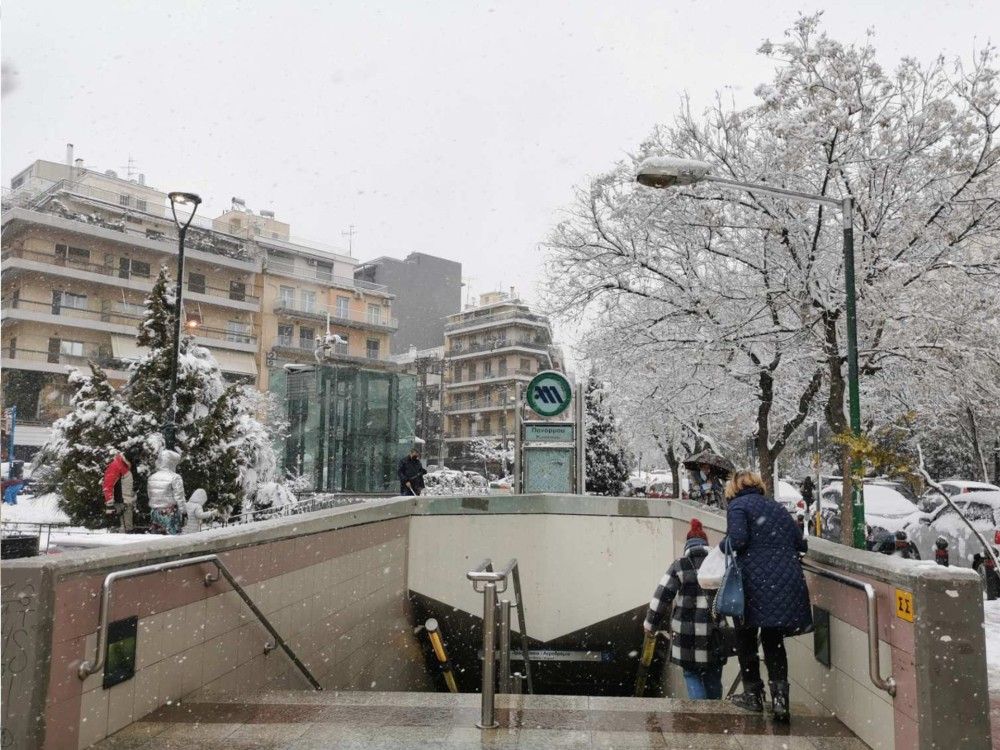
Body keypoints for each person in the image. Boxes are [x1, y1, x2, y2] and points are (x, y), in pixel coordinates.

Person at [723, 470, 811, 723]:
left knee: (745, 636)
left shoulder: (738, 506)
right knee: (774, 640)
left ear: (734, 487)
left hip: (754, 582)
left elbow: (738, 540)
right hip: (785, 580)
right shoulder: (777, 508)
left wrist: (721, 547)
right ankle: (781, 701)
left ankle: (753, 694)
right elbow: (800, 542)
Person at [643, 518, 727, 699]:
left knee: (691, 674)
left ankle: (700, 715)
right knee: (713, 675)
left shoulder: (679, 565)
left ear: (687, 545)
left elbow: (661, 597)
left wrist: (651, 624)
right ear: (706, 544)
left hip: (686, 634)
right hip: (714, 632)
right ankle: (716, 716)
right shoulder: (719, 564)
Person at [147, 449, 186, 535]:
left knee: (157, 539)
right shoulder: (175, 477)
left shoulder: (152, 477)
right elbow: (179, 496)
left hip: (155, 512)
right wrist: (183, 511)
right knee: (172, 539)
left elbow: (150, 495)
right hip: (170, 512)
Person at [102, 447, 141, 531]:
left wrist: (135, 487)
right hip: (120, 502)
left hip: (129, 501)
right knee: (125, 529)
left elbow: (132, 481)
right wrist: (109, 503)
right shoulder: (116, 466)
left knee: (128, 528)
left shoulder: (131, 466)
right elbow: (107, 485)